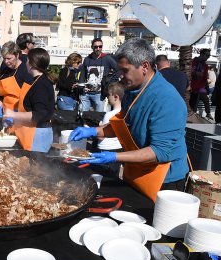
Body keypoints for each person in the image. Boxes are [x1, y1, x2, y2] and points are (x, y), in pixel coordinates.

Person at [69, 38, 189, 202]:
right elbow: (122, 126)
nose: (120, 75)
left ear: (145, 67)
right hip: (136, 170)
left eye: (125, 70)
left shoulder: (167, 99)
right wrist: (93, 131)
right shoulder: (132, 89)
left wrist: (114, 157)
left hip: (164, 181)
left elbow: (159, 152)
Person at [3, 48, 55, 153]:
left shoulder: (41, 85)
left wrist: (13, 115)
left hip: (38, 134)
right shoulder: (36, 81)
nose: (25, 62)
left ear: (31, 64)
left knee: (37, 167)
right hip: (32, 132)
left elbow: (39, 114)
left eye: (27, 60)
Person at [0, 41, 32, 125]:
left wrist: (15, 113)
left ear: (17, 55)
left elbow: (29, 98)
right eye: (4, 58)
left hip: (20, 116)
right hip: (6, 114)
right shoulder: (4, 69)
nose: (6, 62)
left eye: (9, 58)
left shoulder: (25, 71)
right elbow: (1, 93)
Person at [80, 38, 118, 112]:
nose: (98, 49)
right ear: (92, 47)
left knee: (99, 117)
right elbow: (83, 74)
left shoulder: (107, 58)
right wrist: (81, 88)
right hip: (86, 93)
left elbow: (118, 69)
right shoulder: (87, 59)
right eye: (96, 47)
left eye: (100, 46)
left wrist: (111, 80)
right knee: (82, 115)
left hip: (100, 94)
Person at [189, 49, 212, 120]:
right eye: (207, 55)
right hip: (192, 88)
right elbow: (188, 72)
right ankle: (192, 116)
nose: (208, 57)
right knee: (194, 104)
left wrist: (206, 87)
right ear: (201, 54)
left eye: (209, 56)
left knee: (206, 100)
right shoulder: (193, 61)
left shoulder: (205, 66)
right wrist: (195, 73)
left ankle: (208, 114)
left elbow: (205, 78)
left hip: (200, 88)